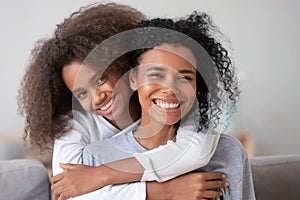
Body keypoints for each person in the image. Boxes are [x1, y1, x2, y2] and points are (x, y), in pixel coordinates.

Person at [18, 3, 227, 200]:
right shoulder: (77, 129)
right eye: (82, 93)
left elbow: (194, 153)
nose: (97, 97)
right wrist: (165, 191)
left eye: (100, 79)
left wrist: (102, 175)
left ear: (124, 68)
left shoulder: (170, 106)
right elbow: (71, 193)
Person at [82, 14, 255, 200]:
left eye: (185, 78)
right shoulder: (99, 156)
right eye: (156, 75)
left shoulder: (226, 152)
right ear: (133, 79)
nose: (170, 89)